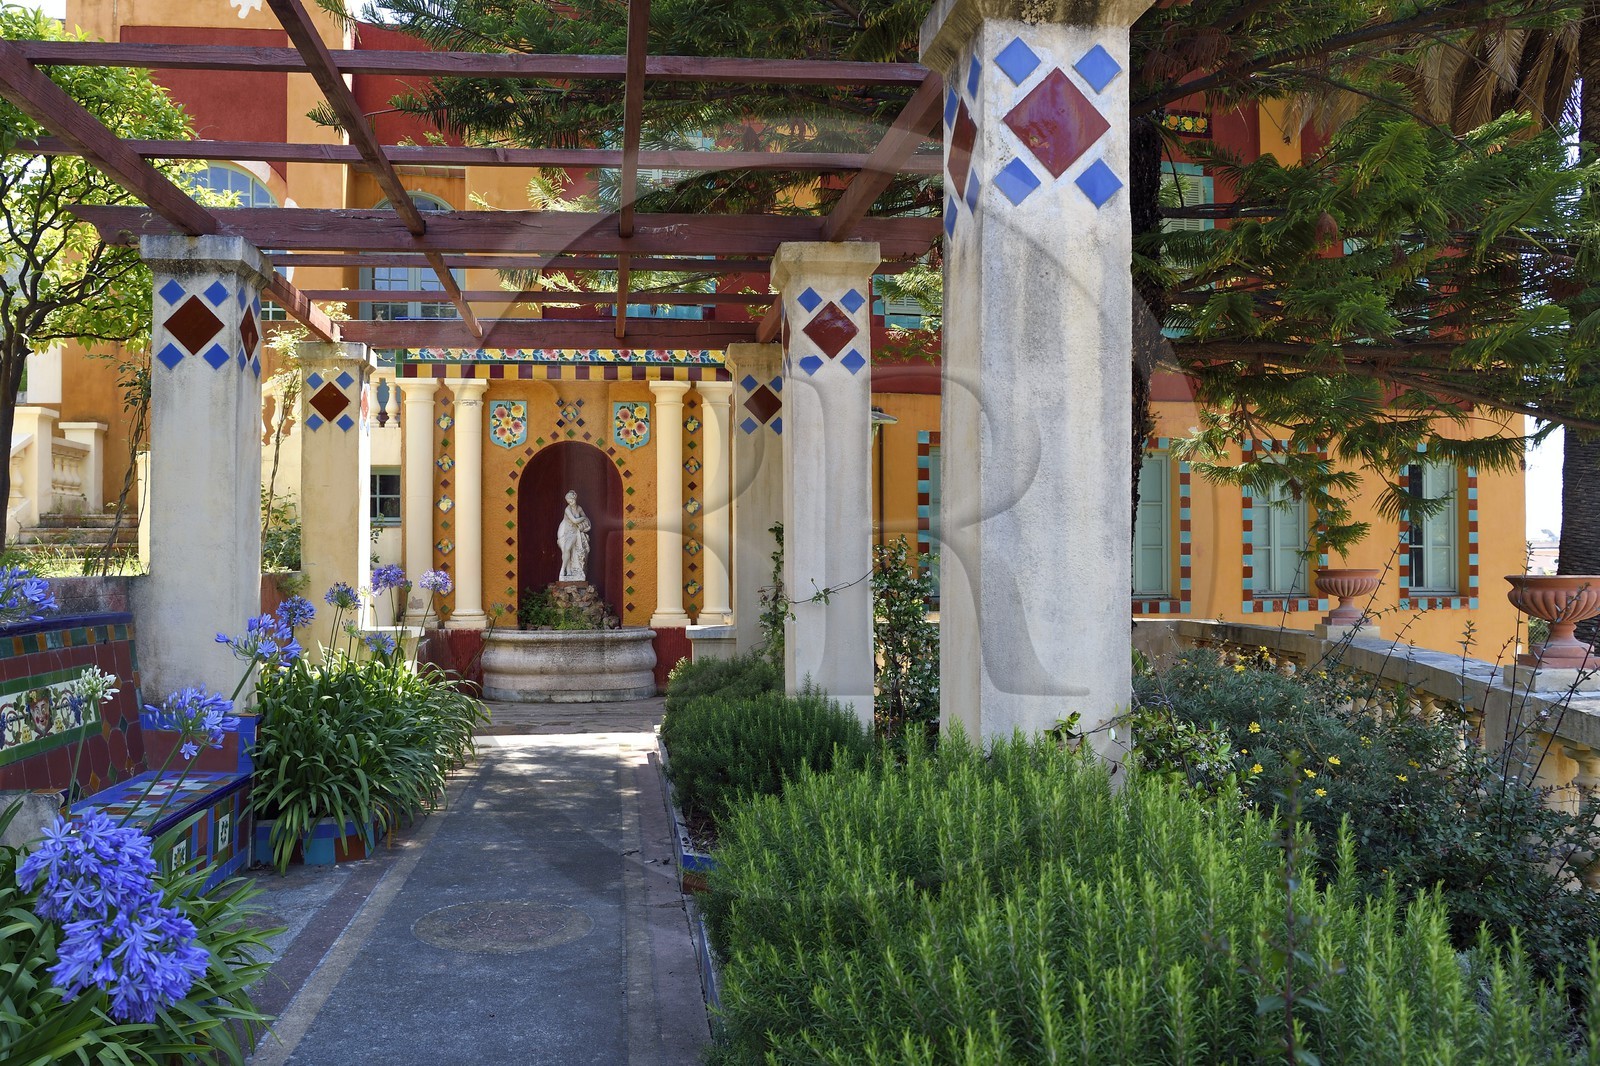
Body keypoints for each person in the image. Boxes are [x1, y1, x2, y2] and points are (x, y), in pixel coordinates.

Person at [557, 490, 591, 581]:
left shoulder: (579, 508)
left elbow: (587, 520)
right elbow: (575, 521)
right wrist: (583, 518)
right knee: (566, 550)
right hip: (565, 531)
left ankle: (562, 570)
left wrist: (584, 519)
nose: (570, 502)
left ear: (574, 498)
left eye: (571, 500)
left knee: (568, 549)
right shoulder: (567, 509)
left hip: (574, 531)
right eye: (568, 501)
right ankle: (567, 571)